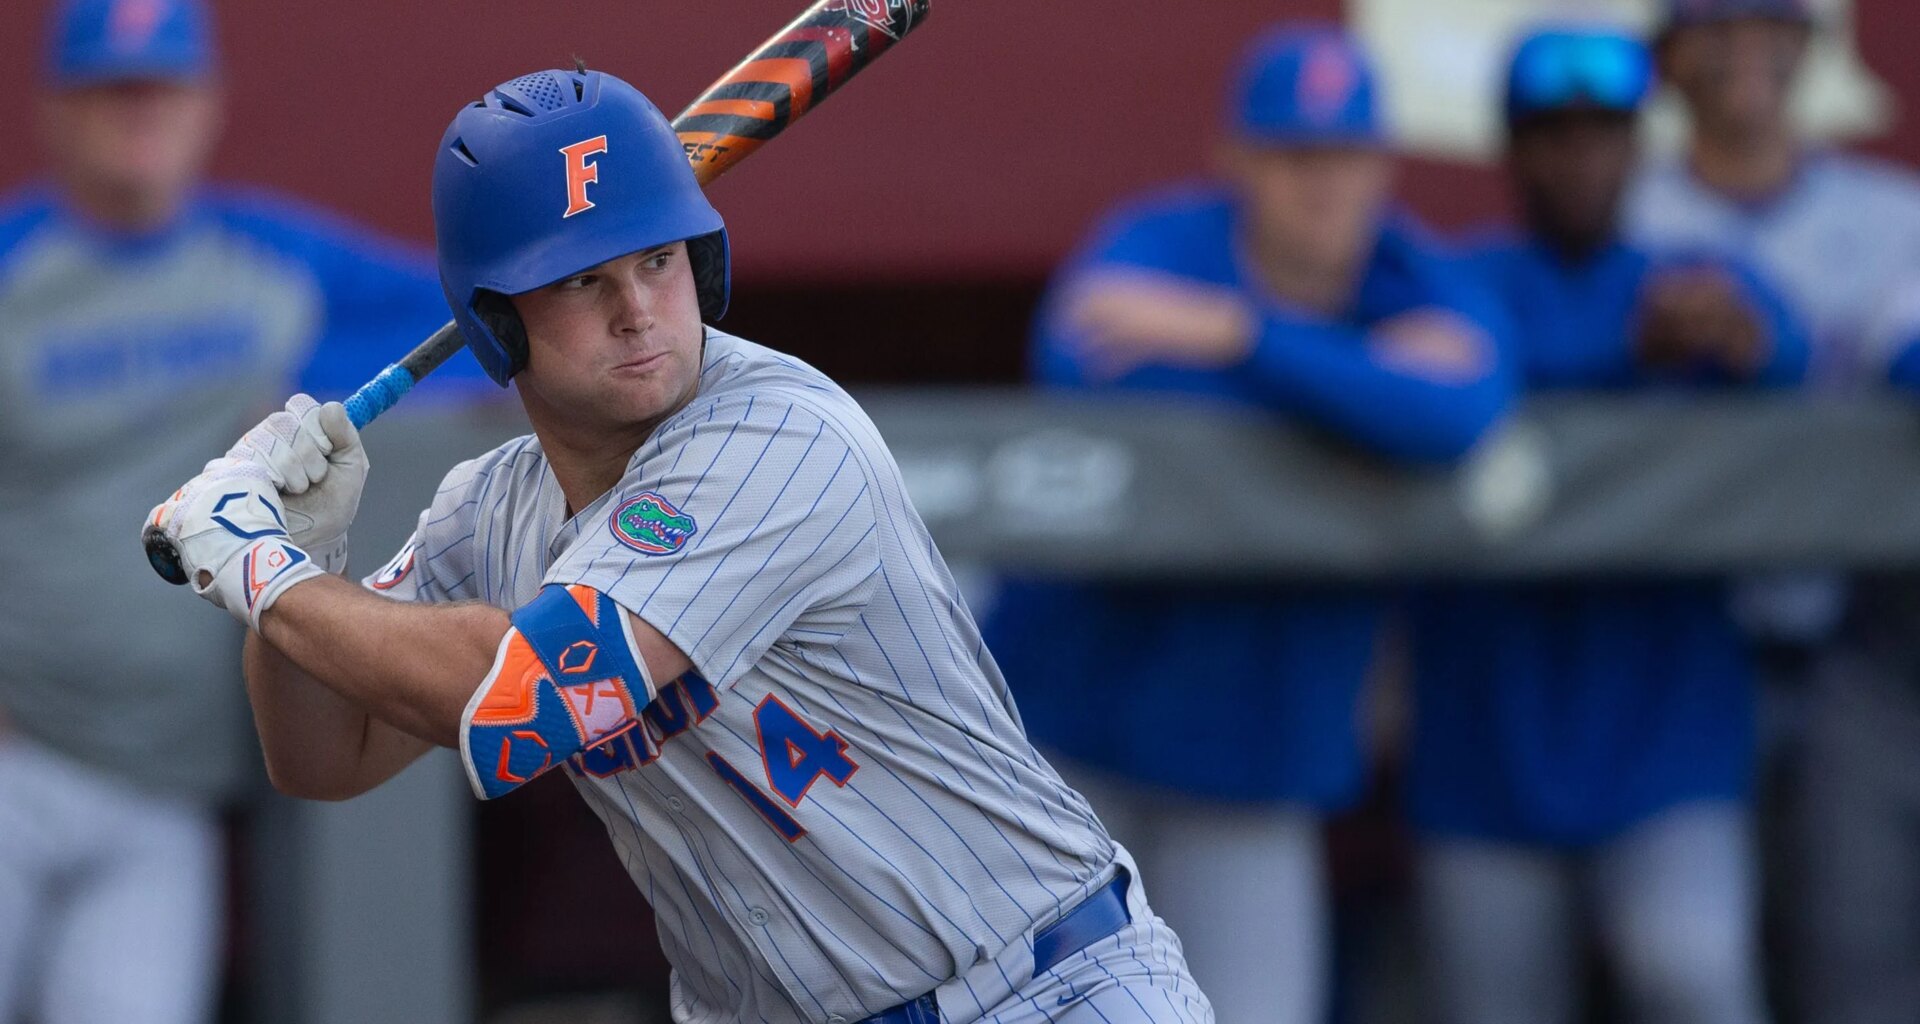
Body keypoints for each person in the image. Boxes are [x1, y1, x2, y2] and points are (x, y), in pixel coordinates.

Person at [142, 67, 1215, 1024]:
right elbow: (321, 758)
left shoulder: (777, 436)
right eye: (581, 280)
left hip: (1036, 986)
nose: (640, 312)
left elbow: (531, 703)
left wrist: (257, 570)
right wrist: (303, 566)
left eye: (658, 259)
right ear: (495, 324)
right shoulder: (488, 509)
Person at [983, 25, 1512, 1024]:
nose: (1324, 186)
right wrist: (1356, 380)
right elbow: (1080, 354)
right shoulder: (1164, 239)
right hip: (1078, 745)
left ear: (1380, 167)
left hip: (1256, 763)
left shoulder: (1405, 273)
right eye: (1295, 156)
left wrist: (1237, 333)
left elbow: (1461, 413)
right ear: (1240, 162)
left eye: (1346, 157)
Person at [0, 0, 490, 1021]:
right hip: (14, 756)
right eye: (111, 92)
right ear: (57, 110)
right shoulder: (15, 267)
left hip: (166, 785)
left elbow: (480, 321)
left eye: (162, 91)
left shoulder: (270, 268)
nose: (140, 119)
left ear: (206, 104)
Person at [1407, 27, 1808, 1024]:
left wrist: (1744, 341)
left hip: (1669, 743)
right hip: (1486, 747)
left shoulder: (1701, 278)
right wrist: (1623, 355)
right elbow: (1459, 367)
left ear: (1639, 147)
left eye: (1604, 134)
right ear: (1511, 151)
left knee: (1693, 973)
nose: (1580, 156)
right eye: (1552, 134)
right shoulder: (1463, 280)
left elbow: (1796, 359)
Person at [1625, 4, 1920, 1018]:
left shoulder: (1898, 216)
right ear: (1666, 57)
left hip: (1862, 643)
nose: (1744, 44)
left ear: (1808, 48)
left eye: (1769, 20)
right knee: (1686, 962)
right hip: (1670, 644)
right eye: (1712, 23)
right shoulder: (1620, 215)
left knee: (1857, 960)